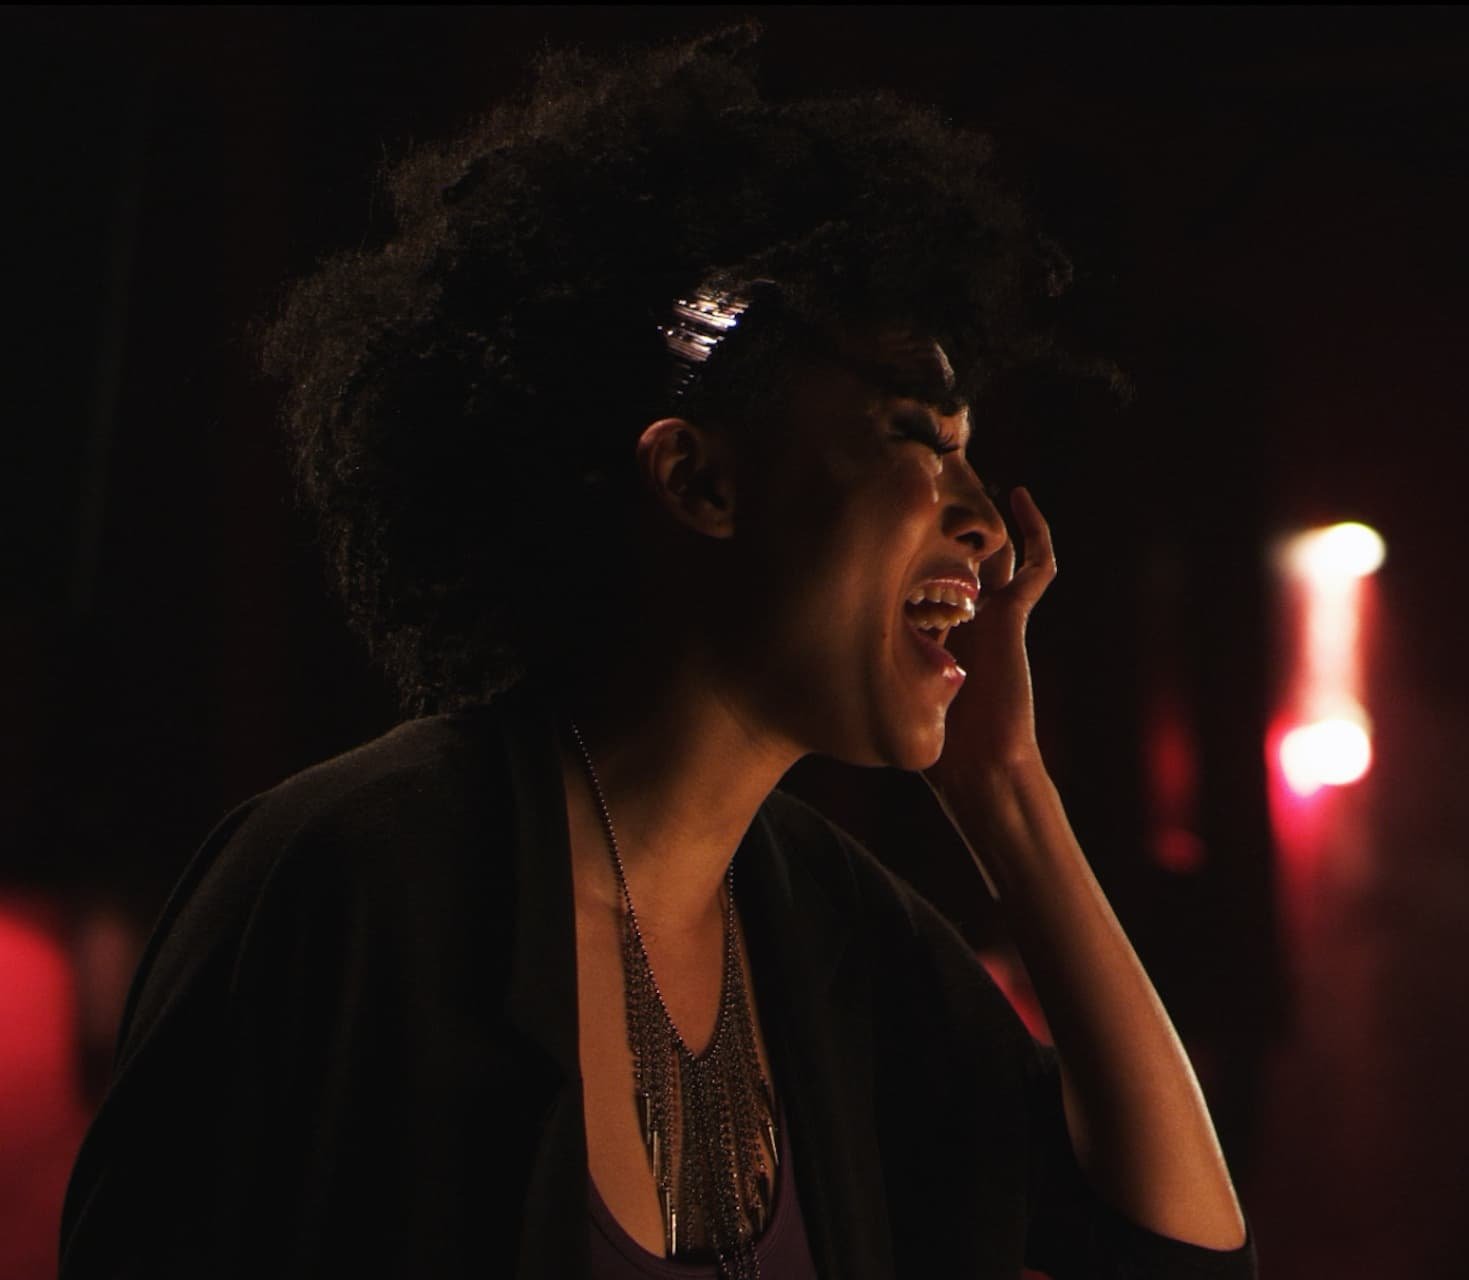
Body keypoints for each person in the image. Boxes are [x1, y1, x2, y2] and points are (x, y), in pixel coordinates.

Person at [59, 23, 1255, 1280]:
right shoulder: (354, 879)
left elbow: (1175, 1258)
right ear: (696, 479)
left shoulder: (836, 931)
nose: (985, 521)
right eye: (920, 437)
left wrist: (1008, 792)